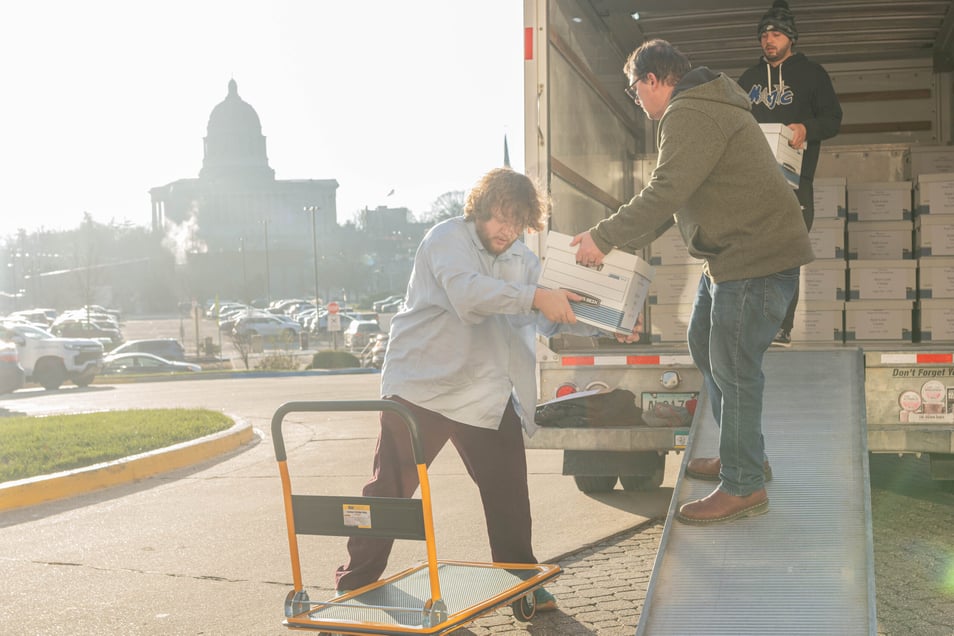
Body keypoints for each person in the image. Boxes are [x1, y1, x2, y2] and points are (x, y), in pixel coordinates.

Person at [334, 167, 639, 608]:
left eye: (517, 221)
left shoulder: (523, 259)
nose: (508, 229)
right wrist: (536, 297)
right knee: (390, 489)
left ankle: (520, 585)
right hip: (423, 387)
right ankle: (354, 583)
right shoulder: (446, 239)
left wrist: (611, 325)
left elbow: (549, 316)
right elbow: (470, 296)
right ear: (479, 209)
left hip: (485, 392)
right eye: (500, 217)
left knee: (509, 491)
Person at [572, 39, 814, 525]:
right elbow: (677, 200)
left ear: (652, 80)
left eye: (633, 89)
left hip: (754, 257)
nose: (635, 100)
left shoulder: (689, 112)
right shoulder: (702, 107)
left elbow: (664, 192)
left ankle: (744, 485)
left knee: (734, 366)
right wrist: (613, 245)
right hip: (731, 258)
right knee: (705, 346)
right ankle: (743, 457)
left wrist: (602, 236)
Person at [738, 0, 843, 346]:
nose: (769, 39)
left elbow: (833, 119)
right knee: (748, 255)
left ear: (791, 38)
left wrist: (806, 128)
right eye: (764, 34)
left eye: (776, 33)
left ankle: (781, 327)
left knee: (787, 255)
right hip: (751, 184)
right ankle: (749, 326)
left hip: (795, 183)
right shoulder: (748, 79)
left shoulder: (812, 75)